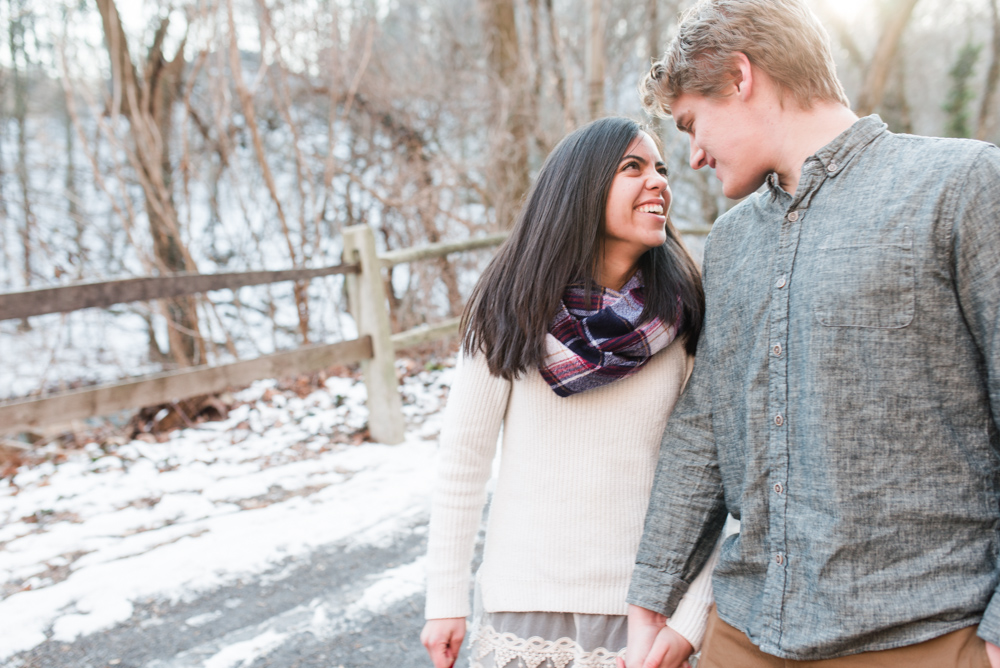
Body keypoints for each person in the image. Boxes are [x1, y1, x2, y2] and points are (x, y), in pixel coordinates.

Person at [621, 1, 1000, 667]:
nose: (694, 154)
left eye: (691, 124)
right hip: (745, 636)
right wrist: (652, 596)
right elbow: (705, 425)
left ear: (741, 77)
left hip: (928, 636)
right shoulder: (732, 241)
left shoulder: (962, 185)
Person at [420, 116, 713, 668]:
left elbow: (721, 479)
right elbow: (463, 462)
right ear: (580, 189)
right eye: (633, 167)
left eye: (661, 168)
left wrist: (691, 618)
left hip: (646, 616)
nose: (659, 181)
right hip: (522, 608)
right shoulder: (509, 309)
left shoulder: (686, 316)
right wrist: (445, 602)